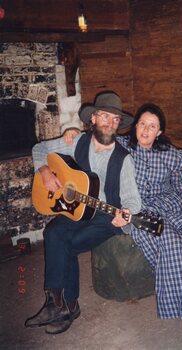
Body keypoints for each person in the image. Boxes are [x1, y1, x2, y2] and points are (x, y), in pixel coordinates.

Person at [64, 103, 182, 338]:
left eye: (152, 126)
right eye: (142, 124)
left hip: (171, 208)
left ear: (159, 132)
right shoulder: (120, 145)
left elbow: (181, 190)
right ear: (135, 127)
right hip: (139, 212)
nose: (145, 130)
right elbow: (95, 138)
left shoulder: (170, 155)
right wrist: (71, 132)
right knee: (172, 242)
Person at [24, 91, 142, 335]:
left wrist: (126, 213)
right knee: (54, 232)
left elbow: (133, 200)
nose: (110, 123)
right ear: (94, 119)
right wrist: (44, 171)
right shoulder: (77, 141)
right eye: (105, 116)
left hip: (106, 217)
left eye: (115, 119)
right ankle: (60, 305)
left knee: (65, 243)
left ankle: (65, 306)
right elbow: (39, 149)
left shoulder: (123, 159)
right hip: (78, 209)